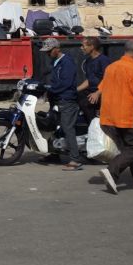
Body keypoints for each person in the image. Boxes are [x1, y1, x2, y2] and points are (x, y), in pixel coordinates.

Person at [97, 38, 133, 193]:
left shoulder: (111, 67)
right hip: (128, 118)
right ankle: (112, 170)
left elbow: (101, 89)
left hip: (109, 117)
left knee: (130, 150)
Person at [43, 38, 84, 171]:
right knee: (55, 127)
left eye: (49, 51)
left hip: (67, 100)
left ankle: (75, 160)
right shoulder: (55, 62)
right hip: (57, 100)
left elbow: (66, 83)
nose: (47, 54)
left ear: (56, 49)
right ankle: (55, 154)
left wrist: (50, 89)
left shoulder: (67, 62)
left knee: (67, 128)